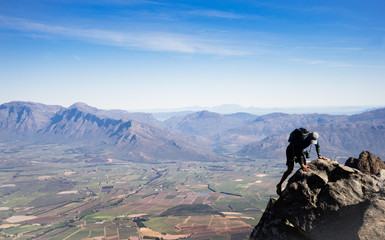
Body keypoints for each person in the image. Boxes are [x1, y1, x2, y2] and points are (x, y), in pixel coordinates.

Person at [276, 128, 327, 196]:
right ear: (309, 136)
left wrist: (319, 155)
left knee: (305, 167)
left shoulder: (313, 137)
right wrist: (302, 165)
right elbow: (299, 153)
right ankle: (279, 184)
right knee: (290, 170)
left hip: (299, 150)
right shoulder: (302, 139)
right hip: (291, 151)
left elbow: (317, 145)